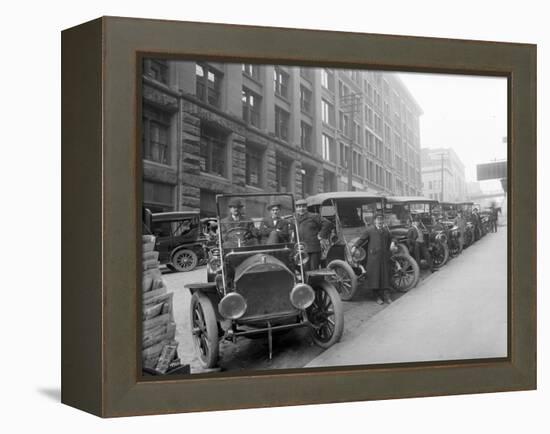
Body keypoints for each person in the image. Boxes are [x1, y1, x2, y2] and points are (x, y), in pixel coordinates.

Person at [351, 214, 395, 305]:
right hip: (374, 258)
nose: (380, 221)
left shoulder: (386, 231)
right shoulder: (370, 230)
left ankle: (387, 296)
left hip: (384, 258)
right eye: (378, 220)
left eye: (381, 220)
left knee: (385, 277)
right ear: (374, 221)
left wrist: (393, 243)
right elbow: (361, 239)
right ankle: (377, 297)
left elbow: (393, 237)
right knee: (375, 278)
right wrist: (355, 246)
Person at [295, 199, 332, 271]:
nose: (301, 209)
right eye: (299, 207)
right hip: (301, 248)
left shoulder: (314, 216)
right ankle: (306, 282)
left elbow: (327, 223)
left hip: (313, 248)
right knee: (304, 270)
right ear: (296, 209)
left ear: (306, 208)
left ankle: (315, 282)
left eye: (303, 206)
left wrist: (321, 235)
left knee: (313, 270)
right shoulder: (295, 219)